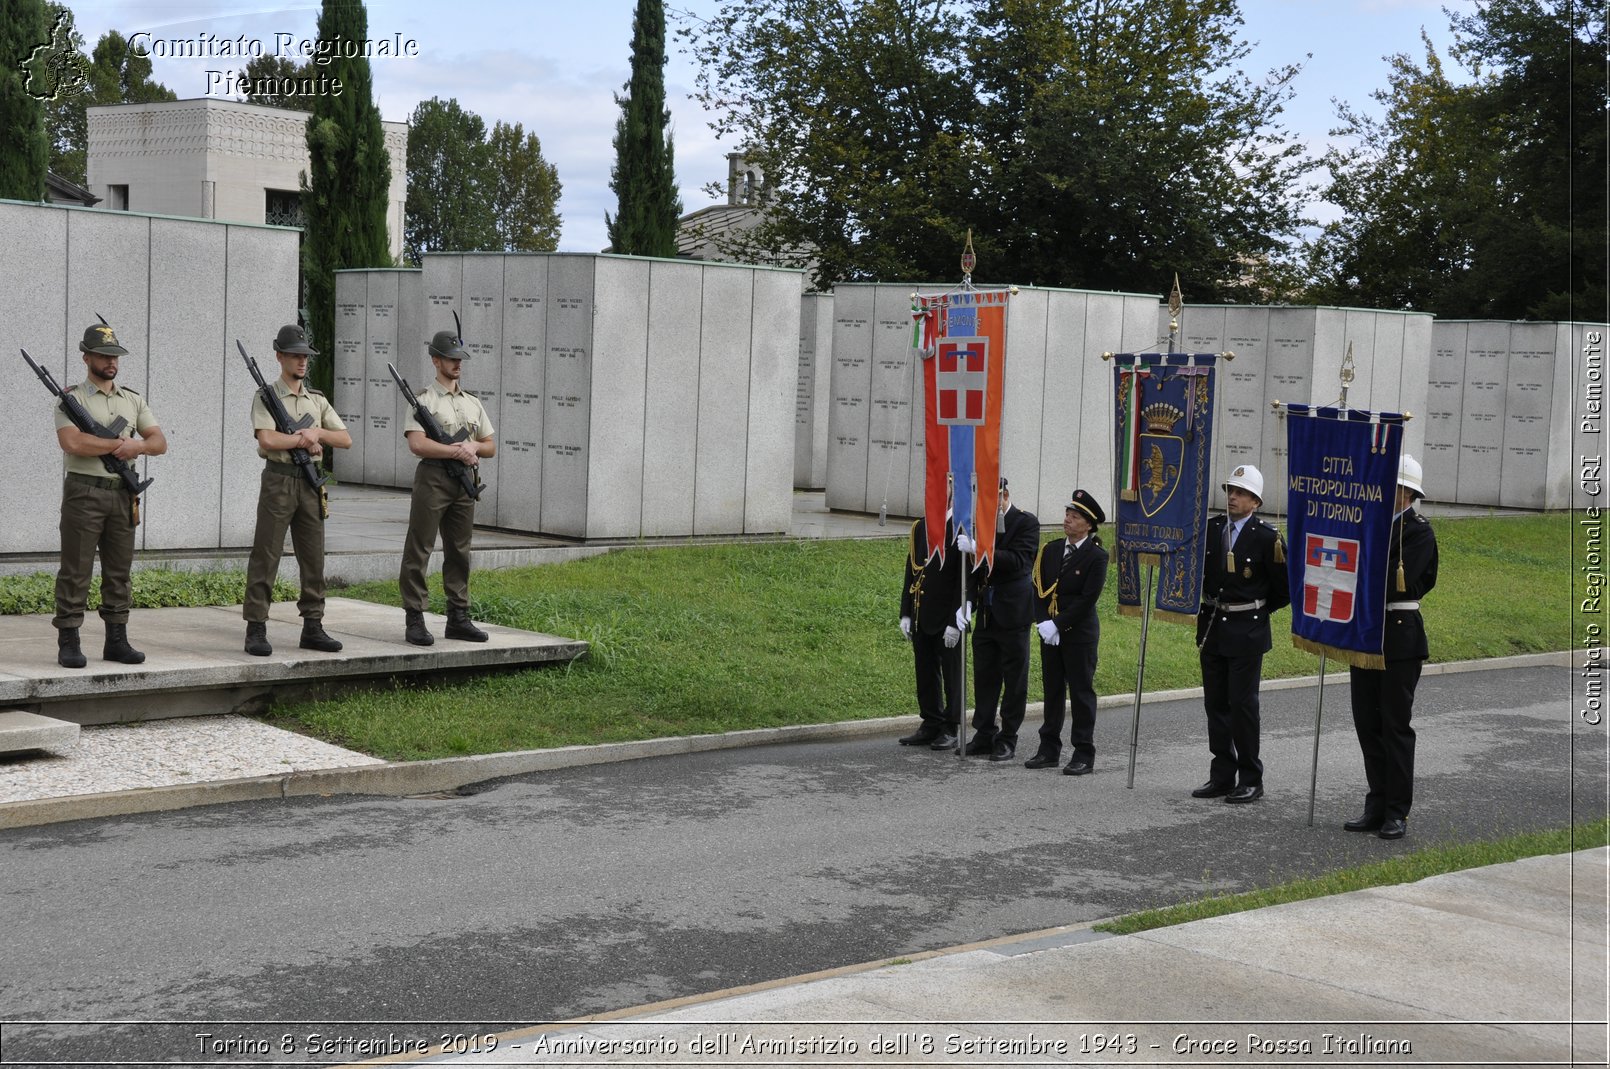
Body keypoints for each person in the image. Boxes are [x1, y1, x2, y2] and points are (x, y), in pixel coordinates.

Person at [51, 320, 167, 668]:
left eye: (114, 355)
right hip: (84, 491)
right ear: (87, 357)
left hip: (121, 495)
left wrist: (138, 447)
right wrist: (119, 444)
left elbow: (159, 442)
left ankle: (117, 640)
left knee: (119, 570)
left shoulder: (132, 400)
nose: (110, 362)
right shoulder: (71, 400)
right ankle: (69, 639)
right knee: (76, 569)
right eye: (103, 356)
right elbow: (72, 442)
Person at [242, 323, 351, 657]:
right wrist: (301, 440)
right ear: (279, 357)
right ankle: (256, 627)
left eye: (305, 356)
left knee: (313, 556)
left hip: (310, 483)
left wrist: (316, 434)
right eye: (294, 355)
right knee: (267, 553)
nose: (302, 362)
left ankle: (313, 625)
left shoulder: (316, 400)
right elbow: (267, 438)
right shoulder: (266, 396)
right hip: (279, 479)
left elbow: (344, 438)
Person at [1346, 454, 1438, 841]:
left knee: (1394, 725)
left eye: (1394, 487)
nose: (1386, 493)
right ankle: (1376, 802)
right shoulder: (1370, 523)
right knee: (1367, 722)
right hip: (1366, 631)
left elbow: (1397, 581)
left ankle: (1396, 811)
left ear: (1407, 493)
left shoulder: (1417, 532)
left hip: (1398, 634)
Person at [1193, 464, 1290, 804]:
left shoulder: (1267, 538)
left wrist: (1255, 610)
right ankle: (1222, 774)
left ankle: (1251, 777)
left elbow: (1283, 589)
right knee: (1215, 704)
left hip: (1247, 628)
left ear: (1255, 501)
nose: (1232, 497)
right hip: (1213, 626)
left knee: (1242, 705)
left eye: (1241, 493)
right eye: (1230, 491)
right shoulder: (1212, 528)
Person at [399, 329, 497, 645]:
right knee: (420, 547)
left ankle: (458, 617)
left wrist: (471, 449)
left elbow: (489, 445)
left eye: (460, 359)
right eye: (451, 359)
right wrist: (458, 450)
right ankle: (415, 618)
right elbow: (417, 444)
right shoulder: (423, 400)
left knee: (459, 551)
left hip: (464, 482)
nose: (457, 364)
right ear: (436, 360)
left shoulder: (472, 403)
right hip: (434, 478)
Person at [1027, 489, 1108, 775]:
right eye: (1067, 515)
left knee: (1081, 693)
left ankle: (1084, 752)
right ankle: (1048, 749)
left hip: (1079, 635)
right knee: (1052, 691)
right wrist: (1043, 623)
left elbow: (1088, 599)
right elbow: (1038, 589)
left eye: (1075, 517)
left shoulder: (1096, 556)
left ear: (1089, 524)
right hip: (1050, 633)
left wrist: (1059, 624)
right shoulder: (1050, 550)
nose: (1068, 520)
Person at [960, 478, 1040, 762]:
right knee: (984, 677)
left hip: (1013, 611)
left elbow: (1019, 561)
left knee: (1014, 679)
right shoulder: (980, 524)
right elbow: (973, 571)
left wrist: (981, 549)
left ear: (1004, 495)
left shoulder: (1026, 522)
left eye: (991, 500)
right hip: (986, 611)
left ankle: (1007, 737)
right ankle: (984, 733)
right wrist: (966, 602)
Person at [897, 498, 965, 751]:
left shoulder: (961, 527)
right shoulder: (921, 527)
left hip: (947, 615)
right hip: (921, 613)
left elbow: (964, 579)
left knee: (952, 673)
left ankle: (951, 726)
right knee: (924, 670)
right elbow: (911, 569)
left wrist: (955, 621)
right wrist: (905, 612)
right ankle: (931, 721)